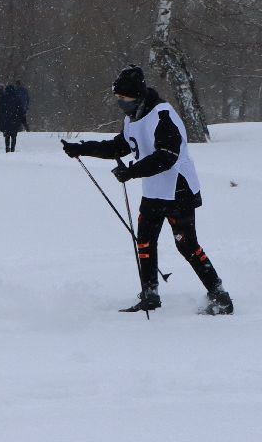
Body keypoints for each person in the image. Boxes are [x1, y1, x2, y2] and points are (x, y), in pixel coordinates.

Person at [60, 65, 234, 315]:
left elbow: (167, 156)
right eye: (117, 98)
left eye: (124, 98)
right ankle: (150, 294)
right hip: (154, 190)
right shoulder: (133, 117)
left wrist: (132, 172)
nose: (120, 102)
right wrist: (81, 148)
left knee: (186, 245)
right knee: (144, 241)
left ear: (137, 95)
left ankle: (220, 296)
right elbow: (119, 147)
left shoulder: (162, 116)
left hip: (178, 190)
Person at [0, 81, 26, 153]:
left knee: (7, 136)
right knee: (14, 136)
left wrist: (1, 118)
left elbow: (0, 109)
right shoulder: (17, 98)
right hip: (15, 120)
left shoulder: (3, 98)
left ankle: (7, 148)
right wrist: (22, 120)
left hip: (6, 119)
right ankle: (12, 148)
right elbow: (20, 110)